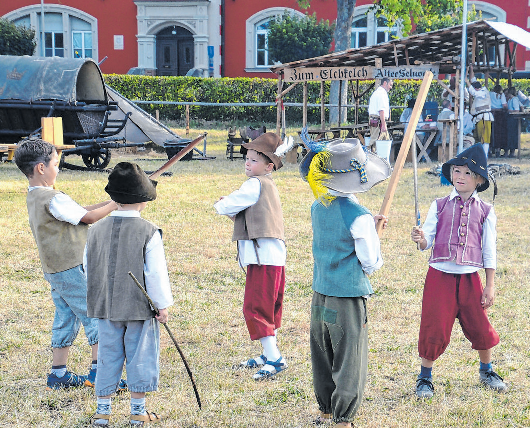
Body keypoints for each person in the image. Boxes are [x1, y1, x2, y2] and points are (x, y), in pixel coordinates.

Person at [299, 135, 390, 427]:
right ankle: (343, 419)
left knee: (323, 351)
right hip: (347, 298)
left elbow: (336, 231)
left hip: (321, 293)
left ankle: (325, 409)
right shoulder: (360, 217)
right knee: (349, 358)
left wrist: (367, 226)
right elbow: (370, 262)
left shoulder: (318, 206)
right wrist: (371, 233)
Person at [14, 139, 119, 390]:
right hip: (71, 268)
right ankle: (100, 375)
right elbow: (88, 217)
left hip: (55, 270)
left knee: (65, 316)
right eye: (55, 163)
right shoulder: (52, 197)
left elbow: (79, 210)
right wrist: (117, 203)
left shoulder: (36, 196)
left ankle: (58, 375)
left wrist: (113, 200)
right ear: (41, 168)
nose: (57, 168)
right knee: (94, 314)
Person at [411, 144, 507, 399]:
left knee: (479, 324)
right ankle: (425, 377)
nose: (460, 176)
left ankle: (486, 369)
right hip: (439, 275)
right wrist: (420, 238)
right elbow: (427, 241)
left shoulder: (486, 211)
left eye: (466, 172)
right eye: (456, 171)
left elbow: (489, 249)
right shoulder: (439, 205)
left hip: (469, 277)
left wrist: (490, 284)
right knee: (434, 325)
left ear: (478, 179)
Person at [86, 162, 173, 426]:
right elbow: (155, 273)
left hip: (106, 308)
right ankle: (137, 412)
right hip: (138, 308)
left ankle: (103, 411)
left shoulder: (94, 230)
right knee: (140, 356)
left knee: (107, 355)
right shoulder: (149, 232)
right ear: (143, 200)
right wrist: (161, 305)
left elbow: (89, 267)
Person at [214, 133, 287, 381]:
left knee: (256, 308)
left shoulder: (254, 184)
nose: (248, 163)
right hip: (272, 257)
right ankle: (268, 354)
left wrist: (223, 203)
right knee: (267, 307)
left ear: (268, 167)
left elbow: (225, 206)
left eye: (254, 160)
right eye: (247, 158)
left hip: (262, 258)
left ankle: (275, 358)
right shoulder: (267, 185)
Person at [466, 69, 493, 159]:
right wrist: (471, 69)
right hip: (479, 118)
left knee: (485, 138)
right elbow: (473, 80)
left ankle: (484, 156)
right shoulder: (479, 90)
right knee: (477, 138)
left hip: (484, 117)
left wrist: (466, 81)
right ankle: (479, 156)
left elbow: (474, 93)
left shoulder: (483, 92)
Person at [368, 77, 393, 146]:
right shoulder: (382, 94)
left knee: (381, 142)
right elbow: (381, 110)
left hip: (375, 120)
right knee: (376, 143)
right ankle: (371, 155)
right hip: (379, 121)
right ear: (385, 83)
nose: (390, 87)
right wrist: (384, 125)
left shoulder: (376, 92)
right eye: (390, 85)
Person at [490, 84, 508, 157]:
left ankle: (490, 149)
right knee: (499, 132)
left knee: (491, 131)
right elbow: (504, 105)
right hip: (499, 114)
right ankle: (498, 149)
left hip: (491, 113)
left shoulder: (490, 94)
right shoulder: (502, 95)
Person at [506, 87, 522, 158]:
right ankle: (510, 150)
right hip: (510, 118)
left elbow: (516, 110)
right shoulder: (510, 100)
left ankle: (512, 152)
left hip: (513, 118)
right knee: (510, 135)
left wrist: (509, 110)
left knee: (512, 135)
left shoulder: (514, 99)